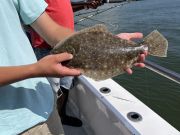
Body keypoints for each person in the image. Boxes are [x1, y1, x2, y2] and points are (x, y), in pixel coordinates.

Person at [0, 0, 147, 134]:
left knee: (63, 89)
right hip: (10, 124)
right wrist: (37, 69)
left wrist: (107, 45)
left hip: (43, 103)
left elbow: (54, 32)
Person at [29, 0, 103, 127]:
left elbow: (65, 9)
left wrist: (85, 4)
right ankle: (47, 120)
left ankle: (62, 116)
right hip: (46, 47)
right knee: (50, 89)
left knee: (65, 84)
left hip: (69, 47)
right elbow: (31, 14)